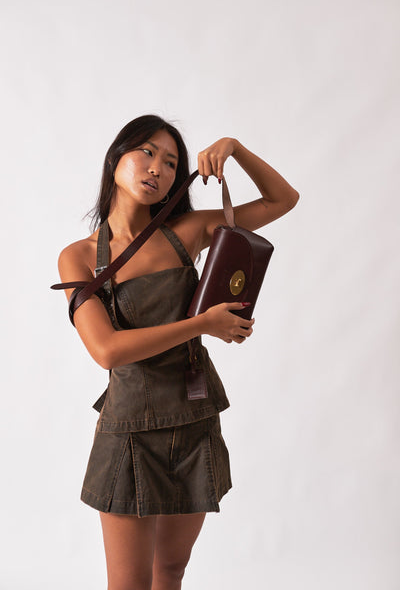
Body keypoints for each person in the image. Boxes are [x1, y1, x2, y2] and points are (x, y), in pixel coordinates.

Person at [56, 114, 299, 590]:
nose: (157, 168)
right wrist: (202, 324)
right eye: (147, 152)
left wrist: (234, 147)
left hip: (193, 415)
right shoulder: (79, 256)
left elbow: (282, 200)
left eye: (171, 163)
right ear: (116, 159)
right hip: (128, 429)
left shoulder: (187, 232)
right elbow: (107, 350)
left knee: (170, 572)